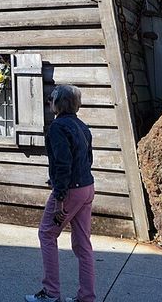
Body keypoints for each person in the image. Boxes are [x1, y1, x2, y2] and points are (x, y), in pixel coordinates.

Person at [25, 85, 95, 302]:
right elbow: (86, 160)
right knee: (83, 245)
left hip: (70, 191)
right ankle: (86, 297)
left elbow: (63, 164)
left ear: (59, 102)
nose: (48, 102)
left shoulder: (58, 127)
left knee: (47, 234)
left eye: (51, 99)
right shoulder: (82, 126)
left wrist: (59, 198)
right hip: (87, 188)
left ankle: (51, 293)